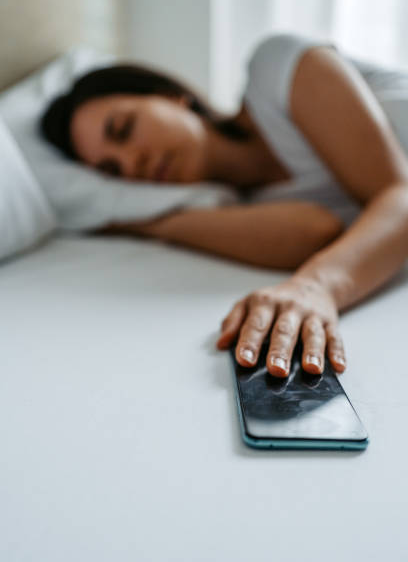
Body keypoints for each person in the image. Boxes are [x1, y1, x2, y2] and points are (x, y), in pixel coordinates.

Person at [40, 33, 408, 380]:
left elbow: (400, 196)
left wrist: (315, 287)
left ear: (169, 95)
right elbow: (315, 232)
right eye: (112, 170)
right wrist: (144, 223)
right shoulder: (243, 205)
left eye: (123, 130)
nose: (131, 164)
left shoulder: (277, 70)